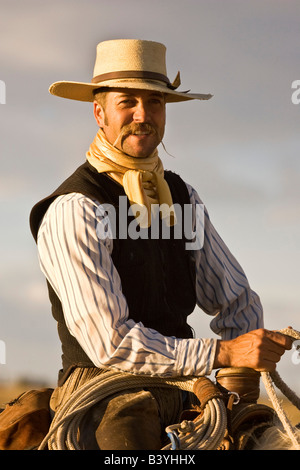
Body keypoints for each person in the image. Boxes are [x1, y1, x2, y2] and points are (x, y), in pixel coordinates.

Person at [30, 39, 292, 450]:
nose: (143, 115)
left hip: (186, 385)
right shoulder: (75, 207)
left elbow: (237, 297)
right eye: (127, 102)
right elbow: (111, 344)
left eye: (155, 102)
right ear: (99, 112)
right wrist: (223, 354)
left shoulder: (183, 196)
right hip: (106, 388)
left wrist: (240, 372)